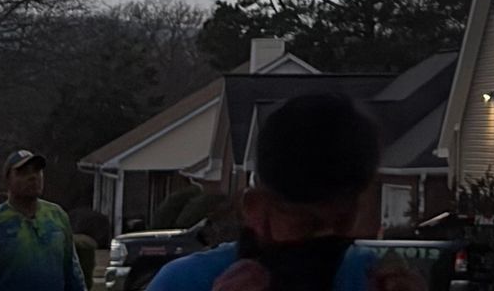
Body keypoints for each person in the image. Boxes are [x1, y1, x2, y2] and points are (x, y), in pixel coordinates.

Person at [147, 93, 400, 291]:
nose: (329, 240)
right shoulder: (186, 283)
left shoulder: (370, 278)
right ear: (254, 207)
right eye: (306, 225)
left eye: (344, 223)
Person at [0, 153, 86, 291]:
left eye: (37, 171)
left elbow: (73, 274)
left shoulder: (57, 217)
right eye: (23, 172)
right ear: (7, 180)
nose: (33, 177)